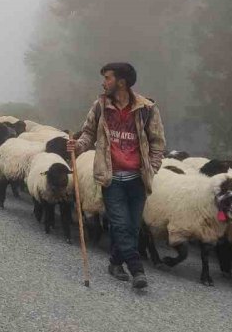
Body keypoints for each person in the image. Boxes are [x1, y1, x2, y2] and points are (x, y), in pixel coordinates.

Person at [66, 62, 165, 289]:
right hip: (111, 177)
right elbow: (89, 132)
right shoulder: (100, 105)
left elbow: (157, 141)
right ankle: (137, 270)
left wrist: (153, 167)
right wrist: (78, 146)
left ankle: (114, 263)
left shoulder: (146, 108)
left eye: (107, 78)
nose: (103, 82)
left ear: (121, 81)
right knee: (120, 225)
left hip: (137, 178)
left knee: (132, 227)